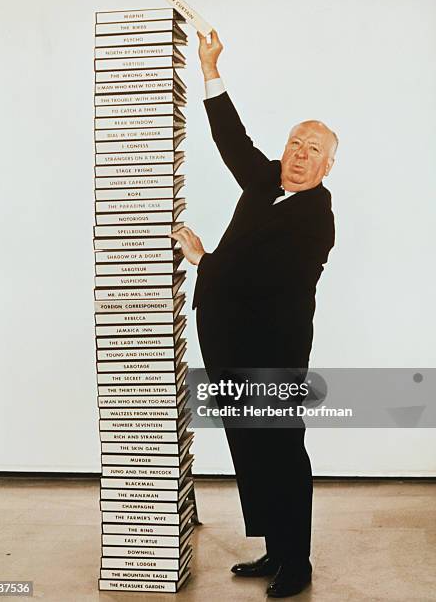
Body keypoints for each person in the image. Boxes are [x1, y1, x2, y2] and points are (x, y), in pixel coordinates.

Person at [171, 30, 337, 598]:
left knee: (281, 451)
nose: (298, 154)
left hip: (272, 355)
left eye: (313, 149)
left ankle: (298, 562)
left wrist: (203, 260)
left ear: (327, 166)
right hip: (227, 344)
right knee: (248, 446)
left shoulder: (317, 218)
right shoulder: (266, 179)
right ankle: (272, 548)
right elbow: (233, 141)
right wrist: (210, 69)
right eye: (295, 142)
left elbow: (269, 282)